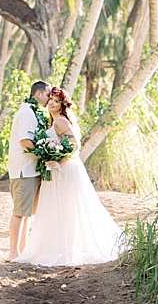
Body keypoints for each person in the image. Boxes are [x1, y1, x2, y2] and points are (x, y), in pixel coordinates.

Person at [13, 86, 124, 267]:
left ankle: (66, 251)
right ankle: (62, 249)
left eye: (56, 101)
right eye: (50, 100)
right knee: (61, 209)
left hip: (65, 170)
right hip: (58, 170)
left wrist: (59, 162)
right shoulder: (55, 121)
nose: (51, 103)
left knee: (67, 208)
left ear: (62, 105)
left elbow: (74, 145)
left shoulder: (60, 122)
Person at [7, 81, 50, 262]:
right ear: (38, 94)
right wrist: (45, 154)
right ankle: (13, 253)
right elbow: (25, 141)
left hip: (31, 170)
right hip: (23, 170)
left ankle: (24, 251)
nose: (49, 99)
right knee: (19, 212)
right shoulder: (25, 112)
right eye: (48, 94)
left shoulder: (33, 112)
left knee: (27, 213)